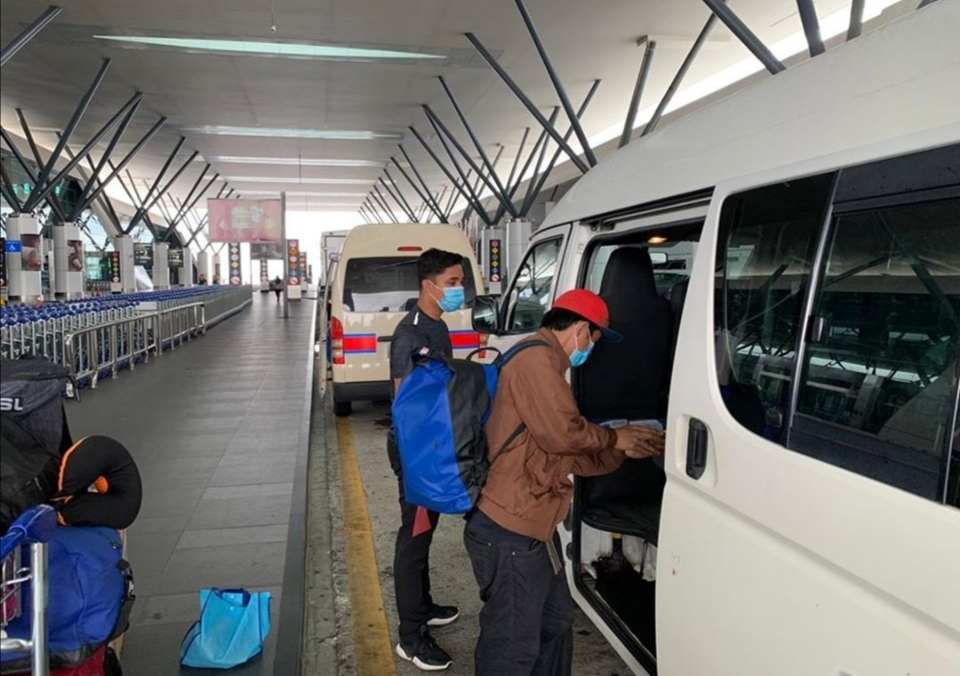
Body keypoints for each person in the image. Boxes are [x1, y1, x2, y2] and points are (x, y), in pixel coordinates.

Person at [464, 289, 665, 676]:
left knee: (555, 622)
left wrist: (622, 449)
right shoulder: (537, 361)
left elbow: (561, 453)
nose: (593, 347)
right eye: (595, 337)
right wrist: (614, 438)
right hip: (510, 527)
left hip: (535, 526)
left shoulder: (548, 365)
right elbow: (564, 435)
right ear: (580, 330)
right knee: (512, 645)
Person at [388, 248, 467, 671]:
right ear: (428, 285)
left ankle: (423, 605)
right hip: (417, 451)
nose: (458, 290)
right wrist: (422, 461)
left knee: (426, 532)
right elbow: (405, 405)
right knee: (414, 538)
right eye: (452, 283)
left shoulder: (438, 326)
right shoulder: (410, 335)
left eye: (459, 283)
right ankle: (411, 636)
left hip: (434, 446)